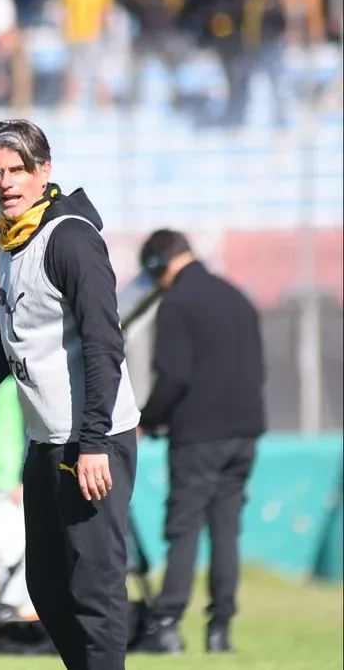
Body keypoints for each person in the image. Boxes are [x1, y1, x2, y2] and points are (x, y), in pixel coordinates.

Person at [0, 119, 141, 670]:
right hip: (45, 441)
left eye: (17, 169)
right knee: (47, 587)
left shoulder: (70, 238)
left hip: (91, 441)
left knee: (94, 589)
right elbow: (10, 332)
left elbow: (104, 345)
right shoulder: (9, 239)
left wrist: (94, 441)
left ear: (44, 170)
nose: (5, 182)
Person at [135, 229, 266, 654]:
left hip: (198, 436)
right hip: (244, 434)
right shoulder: (237, 297)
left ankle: (167, 625)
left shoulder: (177, 303)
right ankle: (220, 630)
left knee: (184, 527)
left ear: (159, 265)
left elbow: (172, 377)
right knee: (226, 531)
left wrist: (146, 421)